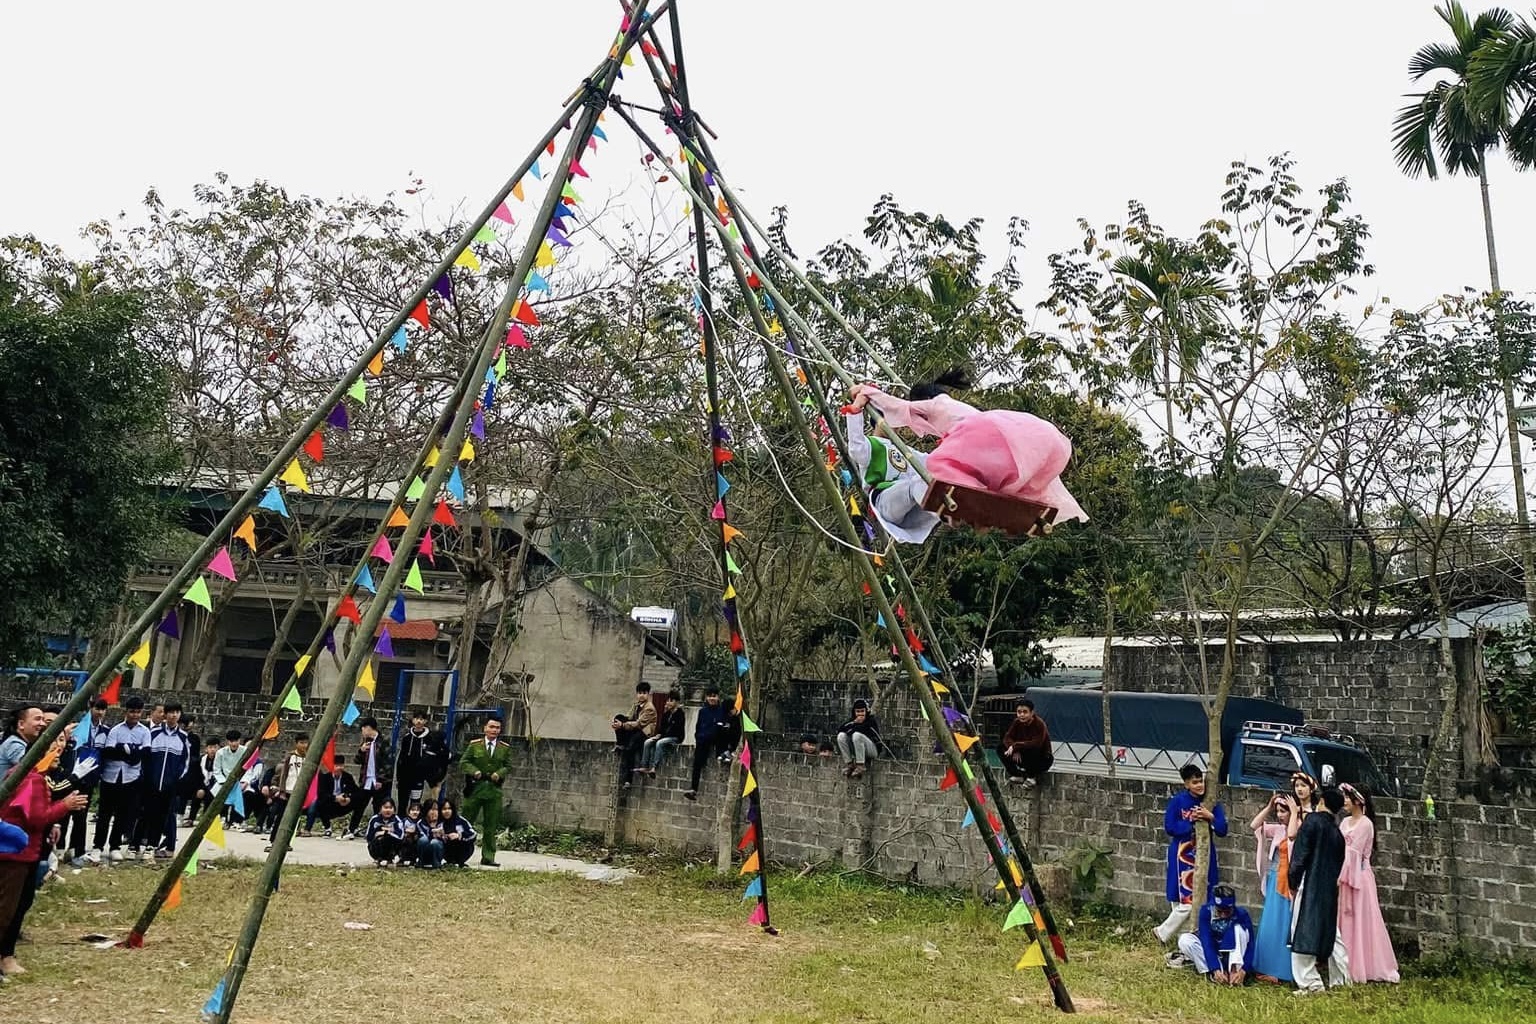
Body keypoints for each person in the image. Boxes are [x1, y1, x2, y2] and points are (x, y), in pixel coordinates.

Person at [846, 371, 1087, 524]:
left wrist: (868, 394)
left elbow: (900, 409)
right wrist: (857, 413)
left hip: (964, 451)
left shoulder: (934, 408)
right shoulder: (954, 409)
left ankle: (957, 504)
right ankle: (974, 502)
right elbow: (858, 447)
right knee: (936, 474)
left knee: (930, 473)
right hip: (1003, 439)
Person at [0, 730, 88, 979]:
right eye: (54, 746)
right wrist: (65, 806)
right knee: (7, 909)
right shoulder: (32, 779)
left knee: (16, 905)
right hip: (16, 855)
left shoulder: (34, 776)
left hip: (24, 853)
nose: (60, 751)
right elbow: (36, 818)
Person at [1155, 764, 1228, 952]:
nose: (1199, 785)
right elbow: (1170, 827)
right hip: (1182, 854)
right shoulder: (1178, 802)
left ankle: (1171, 935)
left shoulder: (1210, 803)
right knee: (1181, 900)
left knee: (1201, 897)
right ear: (1186, 784)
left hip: (1204, 855)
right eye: (1194, 782)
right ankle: (1177, 940)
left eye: (1201, 781)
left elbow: (1222, 829)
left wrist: (1209, 816)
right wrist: (1191, 822)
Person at [844, 404, 942, 543]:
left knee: (928, 480)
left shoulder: (903, 449)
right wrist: (855, 411)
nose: (896, 426)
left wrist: (949, 446)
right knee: (914, 485)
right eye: (892, 419)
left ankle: (951, 511)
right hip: (884, 499)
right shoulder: (870, 445)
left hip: (909, 505)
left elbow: (930, 462)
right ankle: (944, 511)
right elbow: (855, 448)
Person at [1287, 785, 1350, 994]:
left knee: (1302, 931)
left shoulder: (1312, 822)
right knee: (1331, 932)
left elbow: (1300, 856)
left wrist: (1293, 882)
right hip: (1328, 888)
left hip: (1309, 883)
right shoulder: (1337, 834)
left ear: (1321, 802)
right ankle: (1341, 979)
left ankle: (1310, 983)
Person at [1337, 783, 1399, 984]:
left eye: (1347, 797)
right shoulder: (1344, 822)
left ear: (1358, 800)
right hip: (1344, 877)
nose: (1344, 801)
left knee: (1362, 920)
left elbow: (1353, 853)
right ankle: (1345, 964)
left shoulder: (1365, 824)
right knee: (1346, 921)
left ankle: (1365, 966)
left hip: (1359, 878)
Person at [93, 696, 151, 862]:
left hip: (131, 778)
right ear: (126, 712)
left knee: (122, 814)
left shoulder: (144, 732)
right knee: (104, 814)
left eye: (138, 712)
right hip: (111, 777)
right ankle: (98, 846)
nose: (135, 715)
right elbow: (109, 752)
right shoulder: (116, 730)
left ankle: (115, 846)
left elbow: (144, 754)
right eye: (132, 711)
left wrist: (124, 750)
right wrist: (131, 751)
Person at [1248, 792, 1294, 983]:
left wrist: (1295, 811)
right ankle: (1266, 966)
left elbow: (1294, 838)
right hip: (1275, 877)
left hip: (1290, 882)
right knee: (1271, 923)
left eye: (1284, 811)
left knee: (1286, 924)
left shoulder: (1297, 828)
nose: (1281, 815)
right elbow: (1254, 825)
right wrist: (1268, 807)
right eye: (1279, 811)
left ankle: (1283, 971)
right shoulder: (1278, 830)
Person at [137, 701, 192, 859]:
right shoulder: (153, 733)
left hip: (170, 785)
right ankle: (136, 845)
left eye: (177, 712)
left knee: (164, 816)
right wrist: (147, 776)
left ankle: (153, 846)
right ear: (165, 714)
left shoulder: (183, 737)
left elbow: (185, 762)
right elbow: (146, 757)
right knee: (146, 814)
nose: (174, 715)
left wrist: (176, 780)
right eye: (171, 712)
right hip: (151, 783)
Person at [1175, 884, 1255, 985]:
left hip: (1232, 955)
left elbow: (1251, 944)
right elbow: (1206, 941)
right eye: (1220, 911)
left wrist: (1244, 969)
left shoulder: (1241, 914)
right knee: (1185, 940)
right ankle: (1213, 973)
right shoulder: (1206, 912)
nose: (1223, 915)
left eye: (1227, 912)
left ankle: (1235, 972)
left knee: (1239, 929)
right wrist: (1215, 968)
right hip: (1213, 951)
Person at [460, 718, 513, 867]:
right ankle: (459, 854)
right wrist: (474, 771)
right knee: (466, 823)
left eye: (497, 728)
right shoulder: (475, 745)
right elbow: (463, 762)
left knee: (491, 825)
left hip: (493, 790)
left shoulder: (504, 748)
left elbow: (508, 765)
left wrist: (500, 773)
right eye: (491, 727)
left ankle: (488, 856)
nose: (494, 730)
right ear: (485, 728)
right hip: (475, 789)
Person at [684, 688, 737, 801]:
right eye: (710, 696)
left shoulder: (722, 710)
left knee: (720, 730)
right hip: (703, 740)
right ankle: (694, 788)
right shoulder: (703, 711)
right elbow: (698, 728)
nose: (712, 698)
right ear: (706, 697)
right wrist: (698, 738)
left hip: (718, 739)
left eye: (714, 696)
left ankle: (725, 753)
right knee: (697, 763)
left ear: (718, 697)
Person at [346, 717, 392, 840]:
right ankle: (352, 829)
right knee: (360, 804)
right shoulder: (365, 741)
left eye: (363, 729)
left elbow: (388, 763)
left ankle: (378, 831)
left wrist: (381, 780)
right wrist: (361, 750)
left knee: (378, 806)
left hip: (379, 780)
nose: (362, 732)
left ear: (368, 728)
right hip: (366, 779)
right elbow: (357, 760)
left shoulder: (383, 741)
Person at [395, 711, 451, 808]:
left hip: (420, 776)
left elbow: (443, 756)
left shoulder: (431, 737)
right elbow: (401, 758)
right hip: (405, 775)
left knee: (415, 803)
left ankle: (414, 821)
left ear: (425, 721)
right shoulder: (407, 738)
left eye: (421, 719)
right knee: (402, 803)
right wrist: (398, 777)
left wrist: (436, 776)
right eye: (416, 719)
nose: (419, 721)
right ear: (413, 720)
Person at [999, 699, 1054, 786]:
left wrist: (1016, 746)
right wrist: (1014, 749)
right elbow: (1007, 738)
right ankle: (1017, 774)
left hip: (1042, 759)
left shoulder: (1039, 724)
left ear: (1032, 713)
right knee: (1000, 748)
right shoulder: (1017, 722)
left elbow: (1036, 743)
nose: (1022, 715)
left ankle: (1031, 778)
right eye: (1019, 712)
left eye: (1025, 712)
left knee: (1031, 748)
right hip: (1023, 756)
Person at [263, 735, 309, 837]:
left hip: (299, 792)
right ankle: (274, 839)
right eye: (301, 743)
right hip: (287, 790)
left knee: (294, 818)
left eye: (306, 743)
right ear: (296, 744)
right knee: (281, 816)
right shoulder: (290, 757)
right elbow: (283, 775)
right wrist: (282, 790)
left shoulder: (308, 758)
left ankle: (287, 841)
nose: (304, 745)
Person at [613, 683, 657, 787]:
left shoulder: (649, 708)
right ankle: (620, 743)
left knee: (630, 748)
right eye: (639, 693)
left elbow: (639, 724)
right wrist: (619, 723)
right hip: (636, 730)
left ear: (648, 694)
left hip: (644, 732)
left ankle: (628, 780)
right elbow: (629, 717)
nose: (641, 695)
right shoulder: (636, 705)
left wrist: (623, 725)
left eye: (644, 693)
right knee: (619, 717)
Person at [304, 758, 359, 837]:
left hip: (344, 802)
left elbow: (355, 791)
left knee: (360, 800)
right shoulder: (325, 777)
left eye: (341, 766)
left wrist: (348, 798)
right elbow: (321, 794)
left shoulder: (348, 777)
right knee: (320, 802)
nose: (339, 768)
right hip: (330, 802)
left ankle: (352, 829)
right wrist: (335, 798)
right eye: (336, 766)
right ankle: (327, 828)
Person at [638, 692, 685, 777]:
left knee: (660, 743)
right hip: (664, 736)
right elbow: (662, 728)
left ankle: (654, 767)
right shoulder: (666, 714)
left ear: (676, 702)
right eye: (667, 701)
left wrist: (661, 736)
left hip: (675, 737)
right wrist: (659, 734)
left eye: (671, 701)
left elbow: (676, 730)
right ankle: (644, 766)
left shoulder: (680, 714)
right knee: (648, 742)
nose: (668, 703)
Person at [835, 700, 882, 778]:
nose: (860, 714)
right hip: (858, 750)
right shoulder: (852, 721)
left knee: (856, 735)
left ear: (866, 711)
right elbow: (840, 730)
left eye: (862, 711)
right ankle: (849, 764)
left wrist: (853, 727)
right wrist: (854, 722)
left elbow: (860, 729)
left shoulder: (870, 720)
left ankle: (860, 765)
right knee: (841, 736)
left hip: (872, 750)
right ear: (854, 712)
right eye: (858, 711)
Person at [0, 704, 45, 780]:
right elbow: (30, 767)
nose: (43, 724)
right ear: (21, 724)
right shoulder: (14, 744)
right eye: (38, 719)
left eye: (43, 720)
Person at [184, 740, 219, 826]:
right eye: (210, 747)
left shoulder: (221, 760)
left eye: (215, 747)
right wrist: (201, 788)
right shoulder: (200, 760)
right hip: (202, 785)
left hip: (215, 786)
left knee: (210, 796)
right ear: (206, 749)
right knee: (197, 795)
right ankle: (191, 819)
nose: (212, 750)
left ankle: (205, 820)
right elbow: (196, 776)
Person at [365, 799, 405, 867]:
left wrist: (386, 832)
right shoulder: (374, 819)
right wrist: (379, 830)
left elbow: (400, 836)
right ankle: (378, 859)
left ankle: (389, 859)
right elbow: (369, 837)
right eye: (386, 807)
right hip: (376, 846)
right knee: (378, 840)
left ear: (394, 809)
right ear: (380, 809)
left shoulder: (396, 819)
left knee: (388, 838)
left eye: (390, 808)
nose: (388, 810)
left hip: (392, 845)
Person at [439, 799, 476, 868]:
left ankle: (461, 862)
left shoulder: (460, 820)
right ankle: (449, 862)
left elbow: (473, 834)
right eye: (444, 809)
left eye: (449, 808)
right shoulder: (439, 822)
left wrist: (459, 835)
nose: (447, 811)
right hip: (447, 850)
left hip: (462, 848)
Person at [417, 802, 446, 869]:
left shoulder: (442, 822)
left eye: (436, 810)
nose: (434, 812)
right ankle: (421, 862)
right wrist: (432, 830)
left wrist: (441, 835)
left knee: (435, 842)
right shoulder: (421, 823)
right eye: (432, 809)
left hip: (438, 850)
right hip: (425, 850)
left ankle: (436, 864)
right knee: (423, 840)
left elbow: (444, 838)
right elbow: (423, 836)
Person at [397, 801, 423, 866]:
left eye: (417, 810)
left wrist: (415, 832)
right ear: (408, 812)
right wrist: (405, 831)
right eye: (413, 810)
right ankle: (402, 858)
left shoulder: (421, 821)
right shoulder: (404, 821)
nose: (415, 812)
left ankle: (413, 860)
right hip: (405, 840)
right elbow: (399, 830)